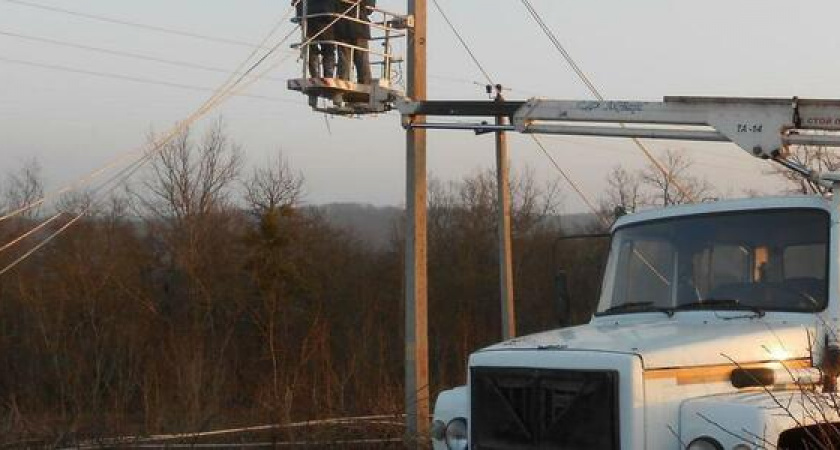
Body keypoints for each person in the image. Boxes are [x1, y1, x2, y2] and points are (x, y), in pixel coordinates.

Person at [295, 0, 337, 78]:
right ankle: (327, 75)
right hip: (324, 14)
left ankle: (315, 75)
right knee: (328, 48)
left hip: (306, 14)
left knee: (312, 47)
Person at [336, 0, 375, 84]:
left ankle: (343, 81)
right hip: (358, 28)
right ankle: (365, 83)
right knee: (361, 59)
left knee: (345, 60)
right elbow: (370, 9)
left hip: (343, 27)